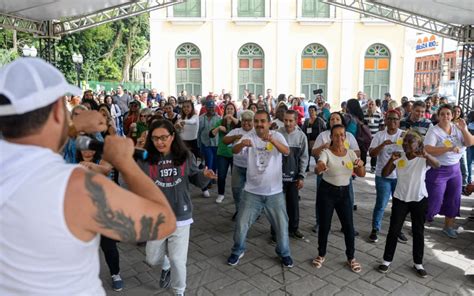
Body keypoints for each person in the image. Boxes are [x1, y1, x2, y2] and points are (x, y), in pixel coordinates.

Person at [0, 58, 176, 295]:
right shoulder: (75, 187)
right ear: (55, 112)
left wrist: (71, 126)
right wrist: (125, 163)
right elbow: (163, 222)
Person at [135, 120, 216, 296]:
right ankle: (165, 265)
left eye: (164, 137)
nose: (160, 142)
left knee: (178, 260)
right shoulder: (145, 158)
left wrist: (205, 176)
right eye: (155, 138)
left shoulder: (185, 156)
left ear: (172, 136)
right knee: (151, 258)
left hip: (181, 215)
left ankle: (179, 290)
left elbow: (196, 178)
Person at [227, 110, 294, 268]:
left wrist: (273, 141)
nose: (259, 124)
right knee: (241, 223)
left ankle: (284, 252)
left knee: (282, 225)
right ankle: (237, 250)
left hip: (274, 192)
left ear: (269, 123)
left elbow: (287, 151)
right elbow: (233, 150)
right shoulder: (249, 136)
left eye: (262, 121)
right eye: (256, 121)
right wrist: (242, 144)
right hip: (252, 192)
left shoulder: (276, 136)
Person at [378, 132, 440, 278]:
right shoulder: (399, 157)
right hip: (400, 198)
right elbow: (385, 173)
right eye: (404, 141)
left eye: (410, 142)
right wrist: (390, 160)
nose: (406, 144)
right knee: (393, 231)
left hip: (419, 199)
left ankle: (418, 263)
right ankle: (386, 260)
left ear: (418, 145)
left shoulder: (422, 159)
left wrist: (427, 155)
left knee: (418, 231)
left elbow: (437, 165)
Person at [312, 124, 365, 273]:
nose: (339, 138)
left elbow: (361, 173)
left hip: (345, 193)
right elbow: (319, 166)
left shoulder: (351, 154)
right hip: (327, 192)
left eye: (342, 135)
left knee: (348, 226)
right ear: (331, 137)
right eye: (336, 135)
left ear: (345, 136)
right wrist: (319, 168)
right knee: (325, 226)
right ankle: (321, 254)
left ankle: (351, 257)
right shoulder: (326, 152)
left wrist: (360, 165)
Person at [424, 105, 474, 238]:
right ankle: (421, 223)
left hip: (455, 169)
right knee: (434, 198)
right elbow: (428, 149)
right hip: (438, 169)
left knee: (454, 199)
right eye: (442, 114)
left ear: (452, 115)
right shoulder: (434, 131)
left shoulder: (458, 128)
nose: (445, 116)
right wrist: (448, 149)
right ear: (438, 116)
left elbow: (470, 143)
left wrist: (464, 129)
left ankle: (448, 226)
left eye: (448, 114)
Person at [312, 112, 360, 233]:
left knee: (348, 199)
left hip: (344, 173)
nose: (334, 121)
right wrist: (324, 146)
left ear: (342, 121)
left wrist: (346, 153)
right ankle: (319, 223)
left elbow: (357, 153)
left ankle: (348, 226)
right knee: (322, 200)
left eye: (337, 118)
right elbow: (314, 153)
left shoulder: (348, 136)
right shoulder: (323, 135)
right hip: (325, 173)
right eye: (332, 119)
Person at [368, 109, 409, 243]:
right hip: (382, 176)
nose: (392, 122)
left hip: (400, 177)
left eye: (395, 119)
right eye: (390, 119)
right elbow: (372, 154)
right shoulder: (380, 135)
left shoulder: (403, 135)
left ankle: (397, 230)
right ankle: (375, 229)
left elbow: (410, 152)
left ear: (399, 121)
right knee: (381, 204)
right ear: (385, 120)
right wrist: (382, 145)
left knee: (399, 206)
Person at [273, 110, 309, 240]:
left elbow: (304, 158)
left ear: (296, 121)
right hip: (277, 178)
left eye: (291, 120)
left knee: (293, 204)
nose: (288, 123)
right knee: (277, 205)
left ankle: (293, 229)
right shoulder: (276, 134)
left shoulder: (301, 136)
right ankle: (275, 231)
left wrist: (301, 176)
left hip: (294, 178)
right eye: (286, 120)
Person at [223, 110, 255, 220]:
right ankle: (239, 211)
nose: (246, 123)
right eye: (244, 120)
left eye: (249, 121)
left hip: (253, 168)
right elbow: (225, 140)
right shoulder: (237, 130)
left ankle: (254, 211)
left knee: (253, 192)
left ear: (253, 121)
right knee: (236, 190)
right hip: (238, 166)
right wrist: (235, 137)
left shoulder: (257, 132)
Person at [211, 102, 239, 203]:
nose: (229, 111)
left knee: (236, 177)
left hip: (235, 153)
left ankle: (237, 196)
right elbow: (211, 134)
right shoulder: (220, 122)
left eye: (232, 109)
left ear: (235, 111)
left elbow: (240, 124)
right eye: (228, 109)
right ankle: (221, 194)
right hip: (222, 153)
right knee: (221, 175)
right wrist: (218, 128)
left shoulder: (237, 123)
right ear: (224, 111)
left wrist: (232, 119)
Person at [198, 99, 221, 195]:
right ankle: (207, 181)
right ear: (205, 108)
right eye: (209, 107)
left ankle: (213, 177)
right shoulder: (201, 118)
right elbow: (198, 133)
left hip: (216, 144)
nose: (211, 109)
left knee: (215, 162)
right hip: (205, 143)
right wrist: (198, 145)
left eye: (212, 107)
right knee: (209, 161)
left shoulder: (219, 118)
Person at [302, 105, 326, 171]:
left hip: (317, 141)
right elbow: (303, 130)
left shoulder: (320, 121)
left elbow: (324, 129)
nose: (311, 112)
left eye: (312, 110)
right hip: (308, 141)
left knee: (317, 157)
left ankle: (320, 168)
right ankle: (306, 169)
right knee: (307, 156)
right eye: (309, 110)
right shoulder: (306, 121)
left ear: (316, 112)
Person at [363, 99, 384, 172]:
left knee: (374, 151)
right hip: (365, 137)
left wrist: (380, 135)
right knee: (364, 152)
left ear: (375, 105)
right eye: (369, 104)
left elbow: (382, 125)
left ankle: (373, 166)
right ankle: (363, 165)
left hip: (375, 137)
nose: (371, 106)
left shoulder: (378, 114)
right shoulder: (364, 114)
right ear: (367, 105)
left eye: (372, 104)